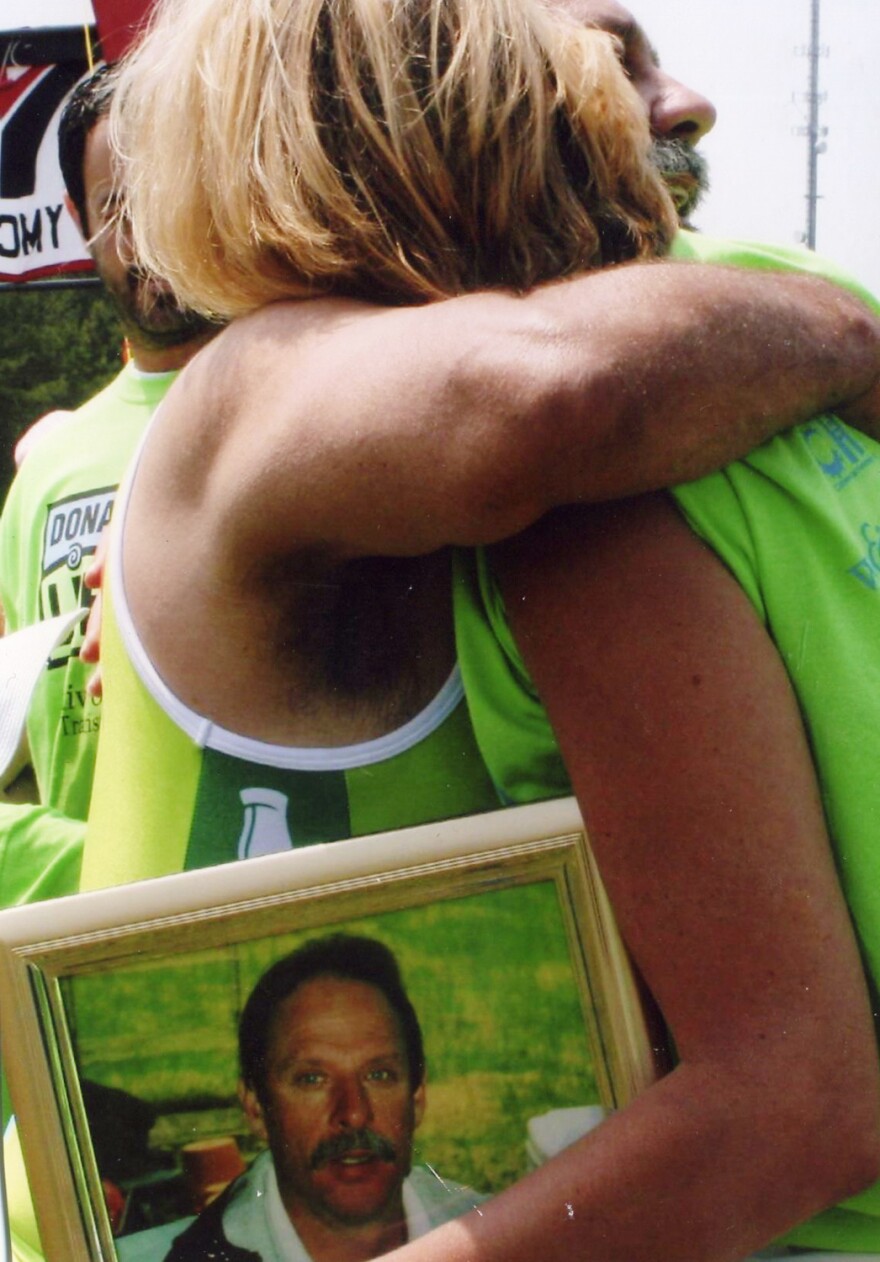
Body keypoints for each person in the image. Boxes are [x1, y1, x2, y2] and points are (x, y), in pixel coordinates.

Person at [6, 1, 880, 1260]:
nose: (665, 111)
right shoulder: (252, 390)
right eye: (597, 71)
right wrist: (849, 332)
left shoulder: (635, 460)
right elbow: (547, 392)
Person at [0, 64, 217, 907]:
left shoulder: (311, 405)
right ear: (78, 222)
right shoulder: (49, 470)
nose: (148, 230)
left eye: (172, 189)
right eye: (116, 204)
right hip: (95, 932)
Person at [120, 936, 481, 1262]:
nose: (354, 1112)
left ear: (417, 1096)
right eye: (312, 1079)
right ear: (256, 1107)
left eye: (378, 1075)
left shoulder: (498, 1236)